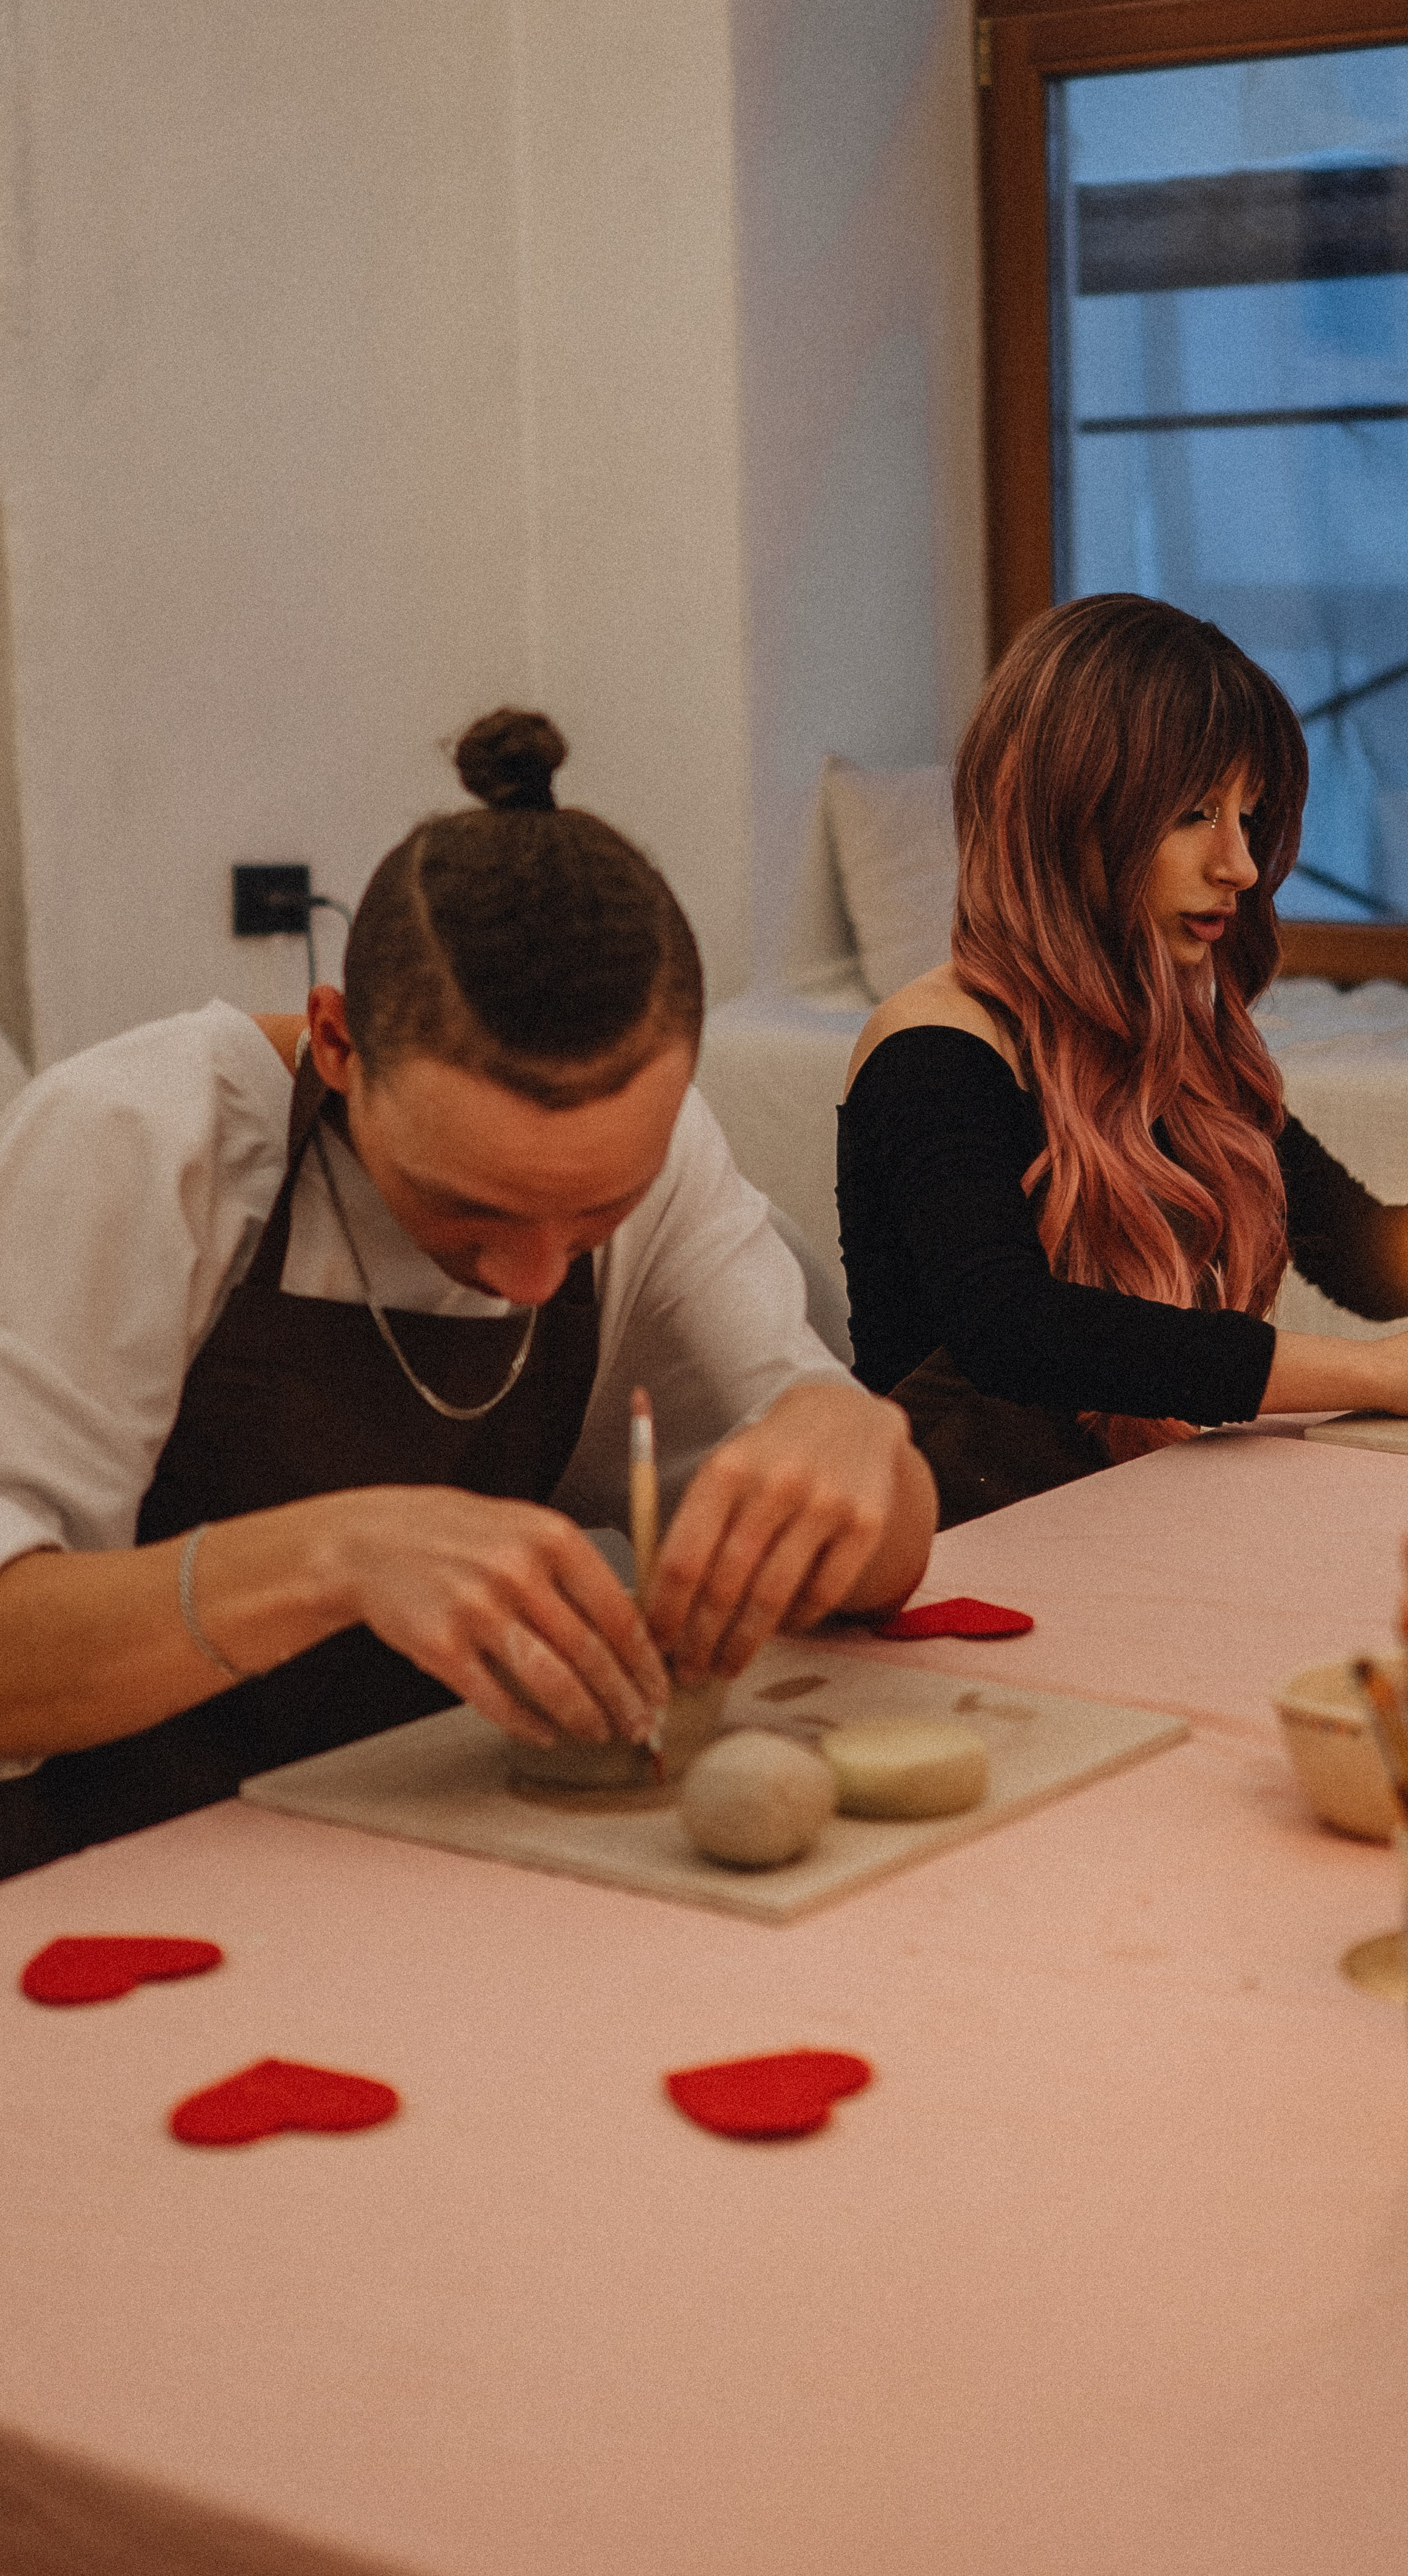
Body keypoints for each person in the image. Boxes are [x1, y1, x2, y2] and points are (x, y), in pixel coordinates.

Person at [0, 708, 935, 1875]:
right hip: (103, 1879)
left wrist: (862, 1441)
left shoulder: (662, 1153)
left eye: (598, 1212)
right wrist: (337, 1554)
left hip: (422, 1853)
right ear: (339, 1045)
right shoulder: (141, 1142)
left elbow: (881, 1554)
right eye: (470, 1210)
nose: (537, 1274)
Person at [836, 595, 1408, 1526]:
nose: (1241, 865)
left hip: (1117, 1517)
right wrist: (1378, 1373)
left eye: (1249, 816)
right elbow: (1013, 1330)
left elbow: (1347, 1246)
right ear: (1065, 815)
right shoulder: (935, 1047)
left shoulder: (1166, 1033)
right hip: (956, 1549)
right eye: (1196, 814)